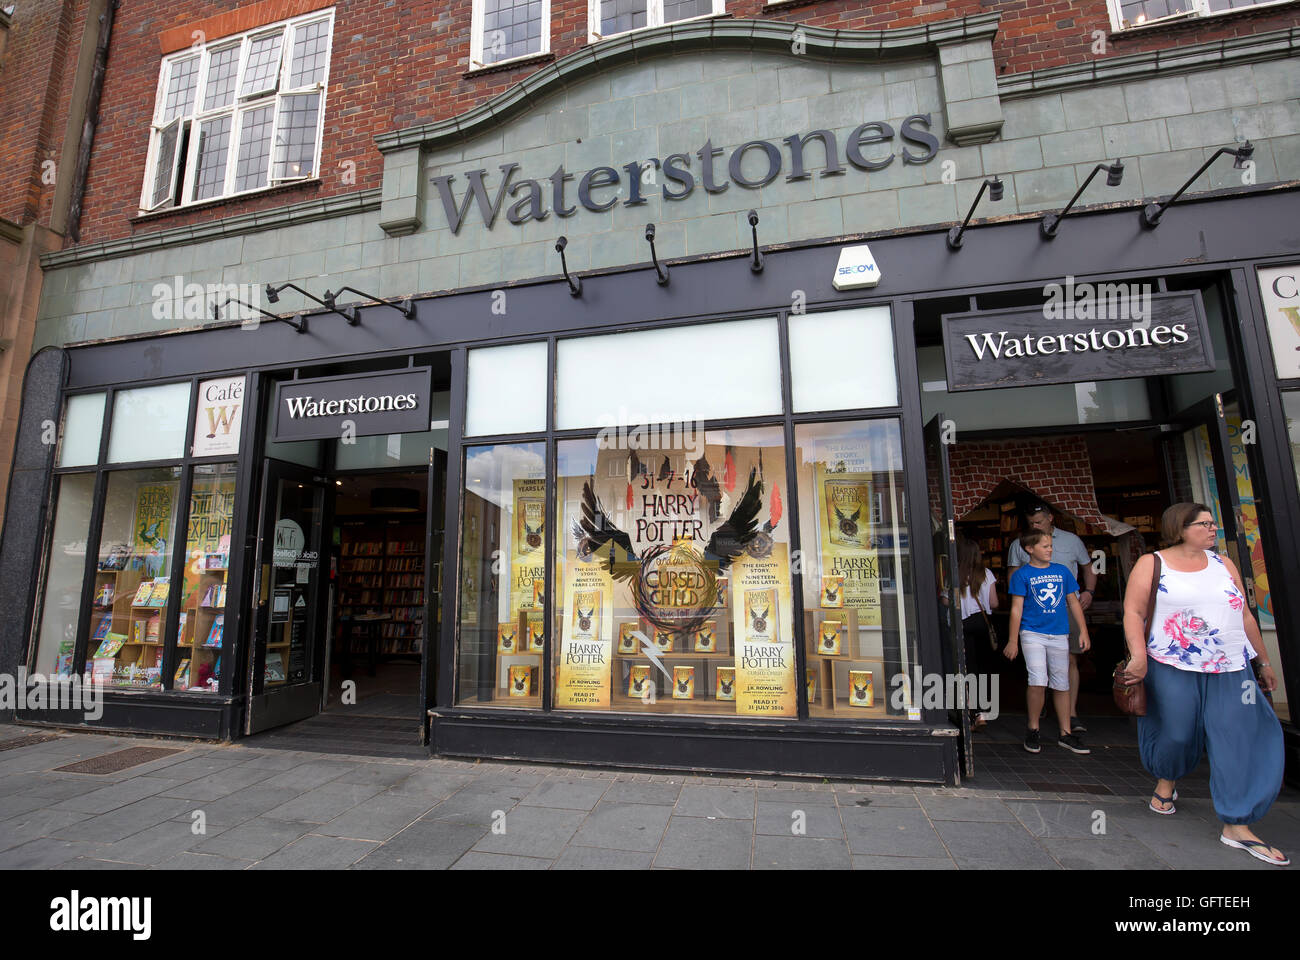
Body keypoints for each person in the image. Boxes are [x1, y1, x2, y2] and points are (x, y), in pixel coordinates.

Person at [1120, 502, 1288, 866]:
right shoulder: (1152, 563)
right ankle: (1167, 779)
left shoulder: (1223, 563)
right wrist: (1139, 655)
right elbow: (1134, 611)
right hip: (1171, 662)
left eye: (1213, 524)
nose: (1213, 529)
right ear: (1180, 528)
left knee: (1237, 735)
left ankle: (1237, 823)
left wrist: (1263, 660)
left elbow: (1242, 613)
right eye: (1204, 524)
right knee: (1177, 732)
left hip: (1230, 665)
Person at [1008, 502, 1097, 731]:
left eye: (1038, 521)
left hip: (1064, 613)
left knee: (1068, 664)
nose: (1035, 525)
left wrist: (1089, 591)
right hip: (1033, 616)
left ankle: (1069, 717)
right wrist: (1013, 638)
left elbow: (1087, 568)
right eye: (1031, 523)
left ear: (1050, 519)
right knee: (1037, 673)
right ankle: (1037, 719)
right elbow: (1014, 586)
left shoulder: (1070, 544)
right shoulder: (1022, 550)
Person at [957, 538, 998, 728]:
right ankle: (983, 711)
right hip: (982, 623)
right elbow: (994, 602)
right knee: (983, 667)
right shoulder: (987, 573)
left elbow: (946, 601)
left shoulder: (954, 573)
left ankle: (973, 712)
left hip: (963, 624)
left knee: (968, 669)